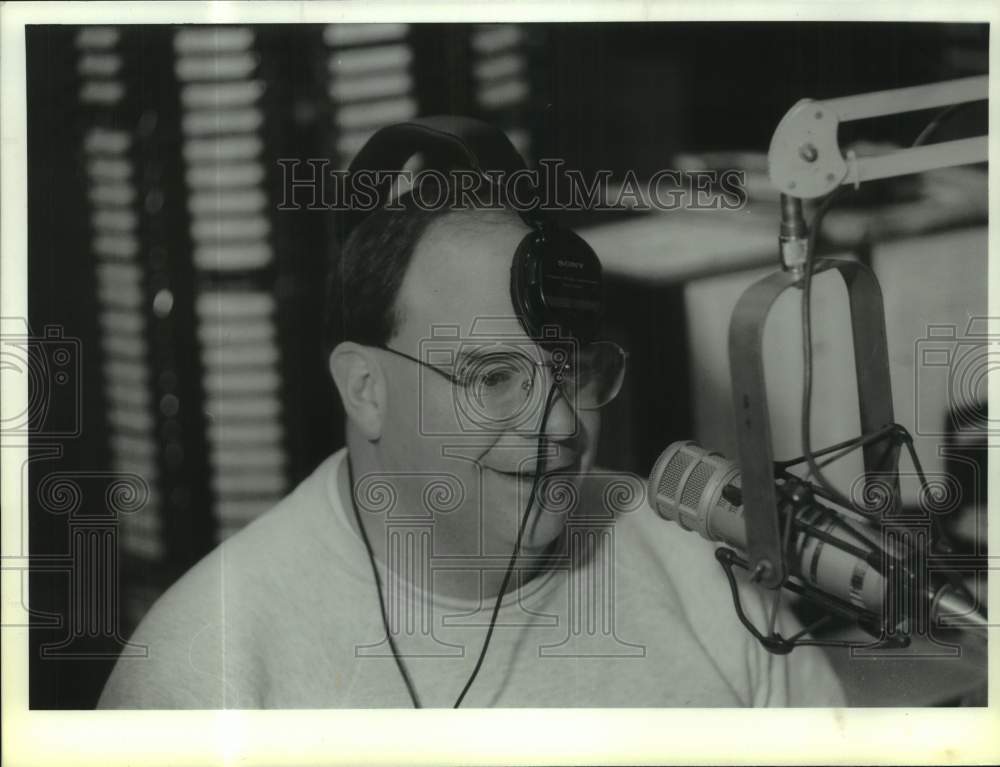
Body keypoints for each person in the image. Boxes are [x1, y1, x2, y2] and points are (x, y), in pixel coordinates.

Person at [98, 172, 846, 709]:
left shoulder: (693, 562)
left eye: (574, 372)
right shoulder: (204, 670)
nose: (558, 425)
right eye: (494, 378)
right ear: (366, 389)